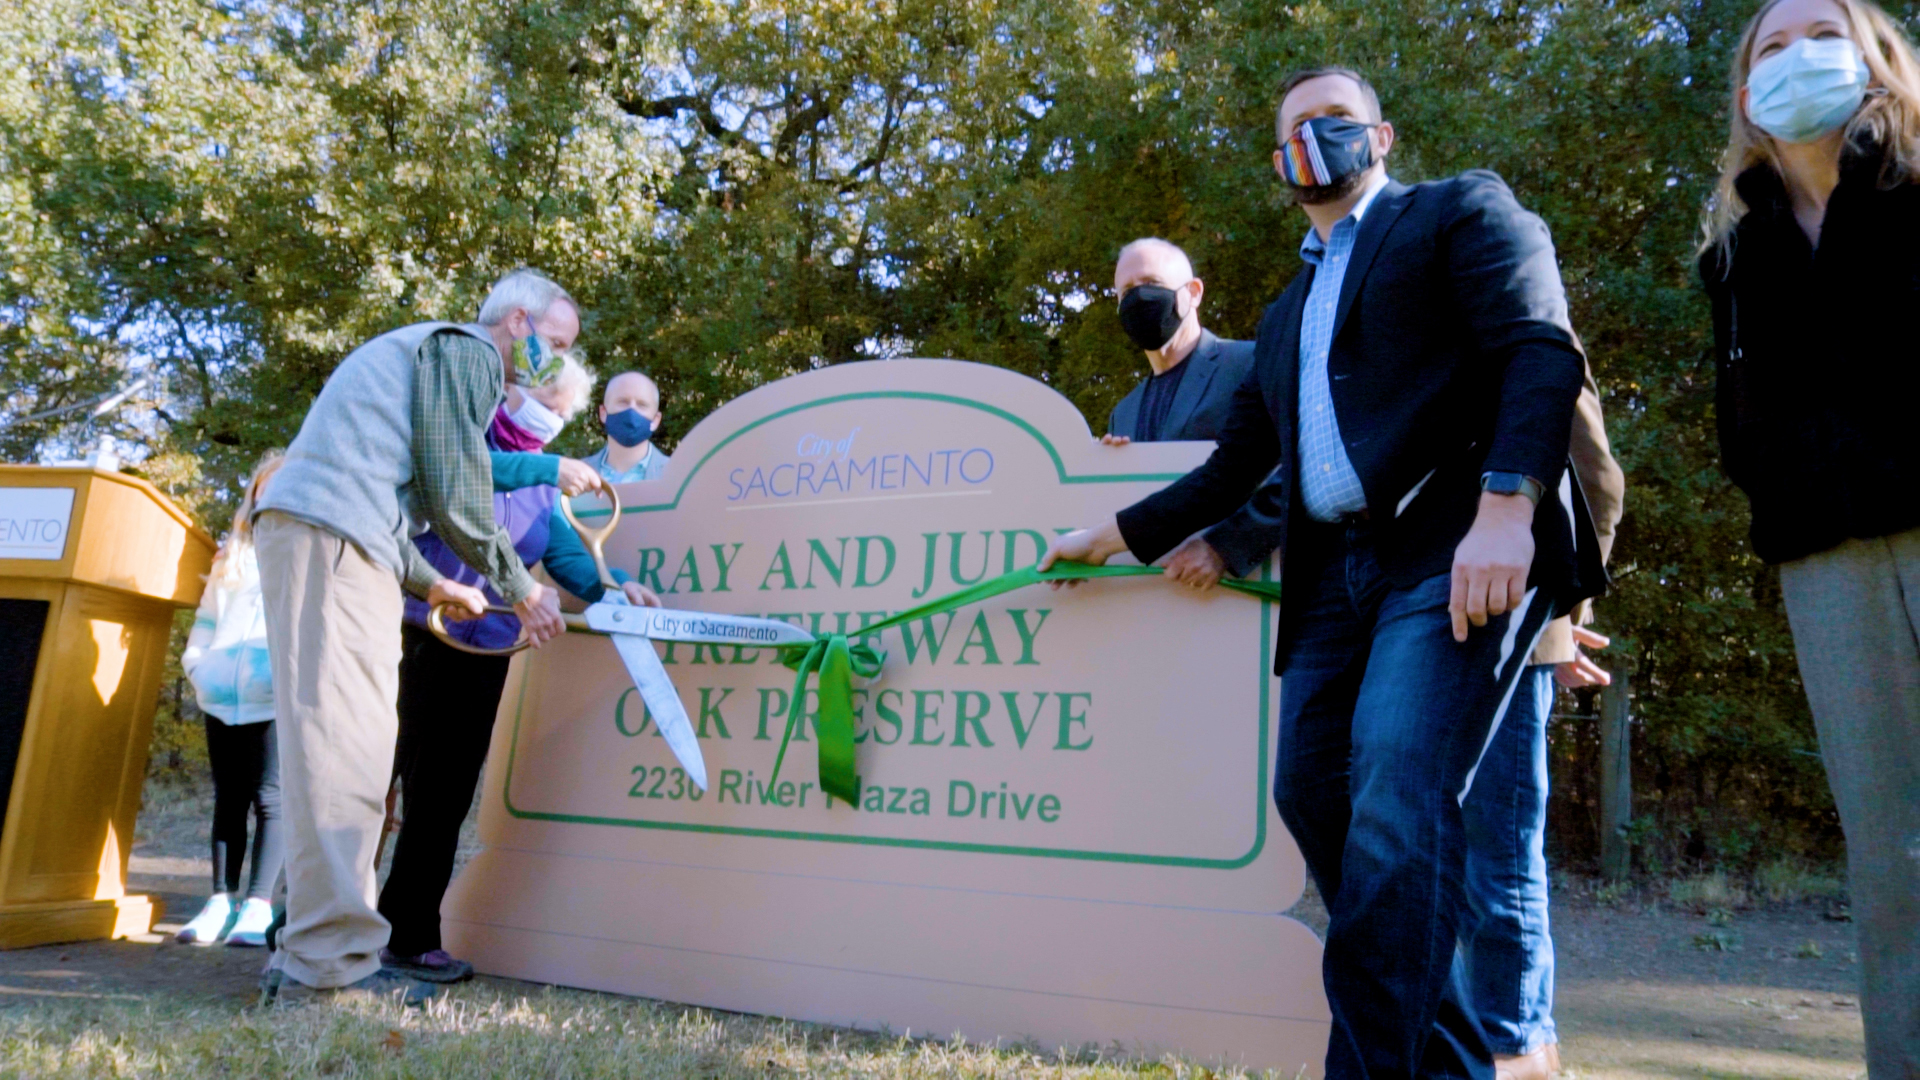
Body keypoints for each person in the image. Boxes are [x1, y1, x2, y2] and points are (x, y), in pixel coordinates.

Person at [1042, 67, 1603, 1078]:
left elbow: (1539, 350)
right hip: (1337, 581)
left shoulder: (1458, 210)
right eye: (1295, 129)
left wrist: (1507, 508)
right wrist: (1111, 536)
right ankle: (1453, 1060)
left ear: (1380, 134)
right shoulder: (1290, 308)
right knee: (1310, 790)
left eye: (1335, 121)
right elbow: (1232, 468)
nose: (1317, 139)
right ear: (1277, 164)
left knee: (1397, 796)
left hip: (1450, 549)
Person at [251, 268, 596, 1005]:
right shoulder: (466, 354)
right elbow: (455, 484)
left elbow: (395, 487)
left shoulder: (431, 359)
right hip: (334, 541)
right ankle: (329, 974)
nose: (558, 363)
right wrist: (521, 586)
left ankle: (307, 959)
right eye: (555, 344)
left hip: (348, 542)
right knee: (348, 762)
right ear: (517, 325)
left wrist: (429, 579)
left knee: (350, 755)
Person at [1700, 0, 1920, 1071]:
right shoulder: (1734, 255)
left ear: (1873, 54)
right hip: (1826, 567)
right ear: (1746, 93)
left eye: (1816, 36)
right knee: (1893, 866)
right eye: (1770, 49)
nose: (1796, 60)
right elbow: (1737, 425)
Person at [377, 351, 660, 985]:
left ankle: (410, 935)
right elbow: (468, 479)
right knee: (370, 779)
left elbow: (565, 556)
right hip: (414, 635)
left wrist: (616, 591)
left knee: (443, 798)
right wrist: (548, 467)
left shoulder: (542, 485)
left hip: (486, 653)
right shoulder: (468, 442)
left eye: (562, 414)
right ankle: (308, 920)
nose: (551, 419)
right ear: (511, 392)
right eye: (545, 403)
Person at [1458, 362, 1624, 1080]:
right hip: (1416, 626)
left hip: (1514, 639)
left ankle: (1517, 1050)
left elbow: (1597, 479)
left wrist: (1556, 614)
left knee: (1500, 858)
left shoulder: (1531, 322)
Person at [176, 450, 289, 948]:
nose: (272, 495)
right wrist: (199, 667)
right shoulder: (233, 554)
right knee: (228, 798)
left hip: (274, 695)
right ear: (254, 493)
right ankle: (219, 900)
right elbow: (205, 620)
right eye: (265, 486)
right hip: (221, 694)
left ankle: (259, 904)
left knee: (271, 797)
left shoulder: (303, 549)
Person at [1102, 238, 1255, 445]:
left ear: (1193, 292)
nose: (1139, 297)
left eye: (1152, 283)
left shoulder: (1249, 363)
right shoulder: (1123, 415)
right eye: (1127, 291)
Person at [582, 371, 670, 483]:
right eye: (623, 402)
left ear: (656, 420)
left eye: (642, 405)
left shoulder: (678, 475)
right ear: (603, 413)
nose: (631, 410)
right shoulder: (576, 474)